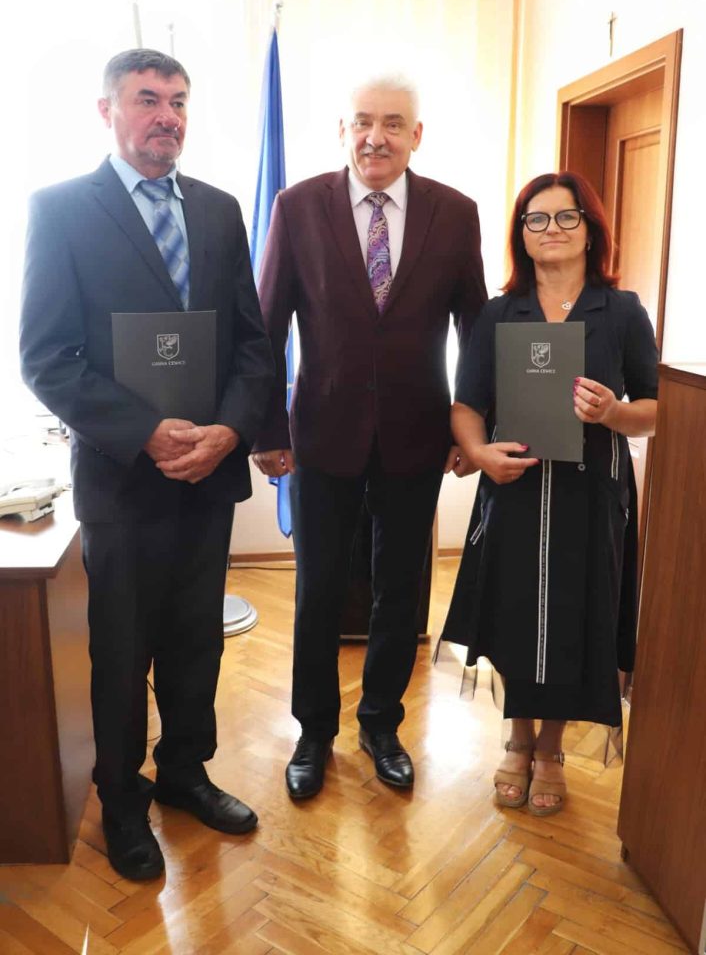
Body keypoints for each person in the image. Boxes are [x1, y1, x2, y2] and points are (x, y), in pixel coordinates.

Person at [20, 49, 273, 880]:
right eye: (148, 99)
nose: (167, 115)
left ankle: (185, 772)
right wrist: (145, 432)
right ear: (108, 110)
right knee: (122, 650)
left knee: (198, 638)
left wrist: (229, 431)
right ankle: (123, 800)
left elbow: (251, 343)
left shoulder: (220, 210)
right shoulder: (61, 210)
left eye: (179, 101)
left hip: (209, 474)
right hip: (123, 481)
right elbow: (46, 356)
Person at [252, 74, 487, 799]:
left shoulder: (455, 213)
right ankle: (314, 731)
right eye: (361, 122)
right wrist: (267, 428)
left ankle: (382, 725)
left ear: (417, 135)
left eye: (391, 123)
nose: (374, 138)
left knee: (399, 591)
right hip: (321, 435)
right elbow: (267, 325)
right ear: (342, 131)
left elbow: (475, 330)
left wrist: (473, 426)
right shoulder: (297, 207)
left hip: (418, 435)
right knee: (319, 588)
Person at [440, 171, 658, 815]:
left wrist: (613, 412)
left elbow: (656, 408)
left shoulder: (621, 311)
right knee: (514, 608)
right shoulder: (499, 313)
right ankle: (516, 736)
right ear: (521, 234)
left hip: (592, 494)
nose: (551, 229)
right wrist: (480, 454)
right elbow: (466, 404)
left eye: (566, 217)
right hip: (514, 487)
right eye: (536, 218)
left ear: (591, 230)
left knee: (575, 613)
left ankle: (551, 748)